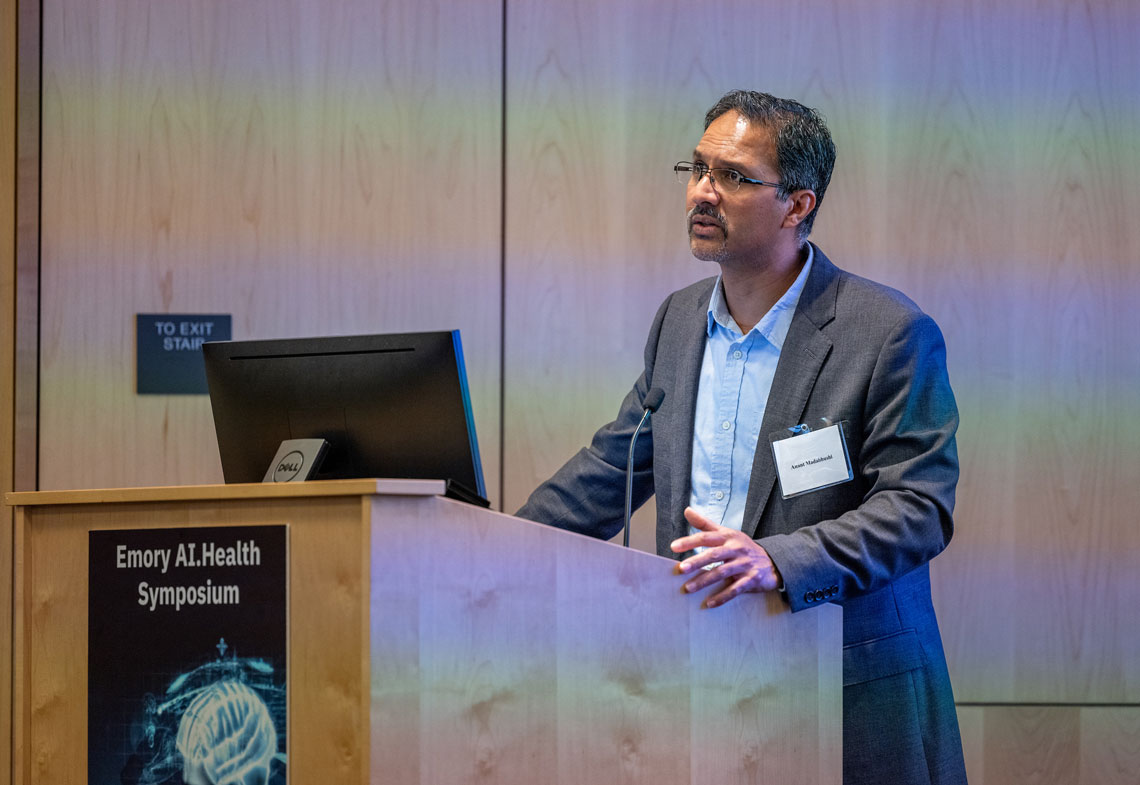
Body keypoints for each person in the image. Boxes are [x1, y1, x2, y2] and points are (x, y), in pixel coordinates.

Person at [516, 89, 968, 785]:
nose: (703, 192)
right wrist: (477, 544)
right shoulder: (679, 321)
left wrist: (775, 559)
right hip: (702, 689)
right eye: (697, 169)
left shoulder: (885, 334)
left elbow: (919, 509)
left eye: (733, 176)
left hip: (844, 692)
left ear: (798, 203)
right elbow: (611, 470)